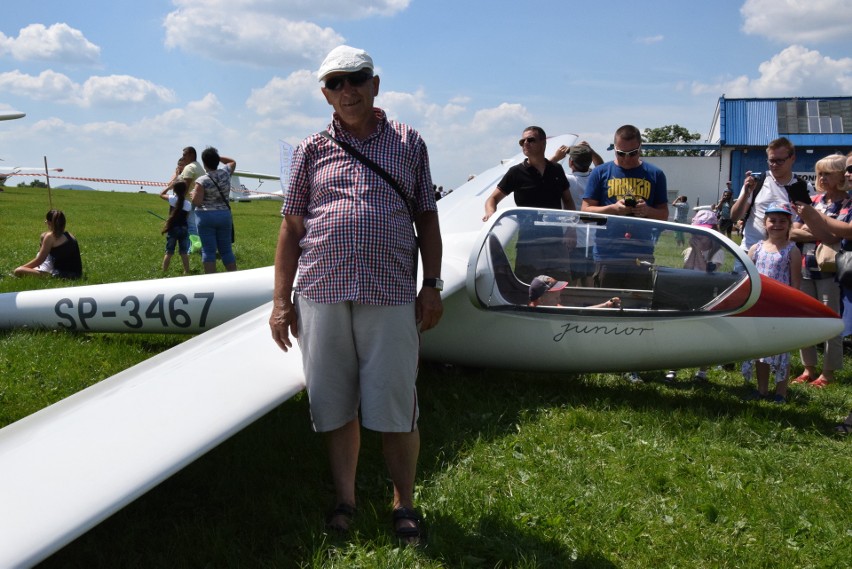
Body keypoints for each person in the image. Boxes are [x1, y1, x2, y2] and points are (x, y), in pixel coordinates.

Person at [268, 45, 442, 545]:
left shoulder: (408, 142)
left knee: (393, 401)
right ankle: (345, 498)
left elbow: (427, 217)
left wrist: (430, 285)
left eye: (357, 79)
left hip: (388, 290)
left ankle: (403, 502)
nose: (348, 90)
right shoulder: (310, 149)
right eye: (336, 82)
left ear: (376, 84)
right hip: (322, 290)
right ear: (325, 93)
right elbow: (291, 227)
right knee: (335, 401)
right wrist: (282, 304)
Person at [582, 125, 668, 383]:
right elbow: (586, 211)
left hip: (640, 253)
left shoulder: (655, 174)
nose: (627, 159)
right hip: (607, 253)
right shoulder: (600, 172)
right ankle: (602, 358)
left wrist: (646, 211)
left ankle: (632, 362)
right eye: (621, 153)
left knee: (637, 308)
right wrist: (614, 208)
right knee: (607, 305)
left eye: (633, 153)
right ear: (614, 147)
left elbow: (664, 214)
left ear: (640, 148)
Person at [482, 126, 575, 282]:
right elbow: (492, 199)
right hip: (528, 245)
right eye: (522, 141)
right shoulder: (515, 172)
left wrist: (572, 229)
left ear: (543, 143)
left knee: (559, 289)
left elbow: (568, 201)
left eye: (530, 140)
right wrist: (490, 214)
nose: (525, 143)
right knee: (527, 290)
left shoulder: (557, 170)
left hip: (556, 243)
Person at [789, 154, 849, 388]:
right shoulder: (813, 200)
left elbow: (836, 235)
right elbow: (793, 233)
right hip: (806, 265)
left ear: (841, 176)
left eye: (827, 173)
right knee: (806, 320)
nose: (821, 178)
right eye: (819, 173)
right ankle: (808, 368)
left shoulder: (848, 204)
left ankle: (828, 372)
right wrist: (822, 228)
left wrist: (812, 224)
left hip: (831, 270)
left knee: (830, 322)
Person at [742, 202, 801, 403]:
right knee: (761, 350)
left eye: (782, 221)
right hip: (759, 305)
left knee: (781, 349)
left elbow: (795, 283)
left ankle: (781, 392)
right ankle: (762, 389)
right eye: (772, 220)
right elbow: (748, 279)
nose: (776, 225)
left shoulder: (792, 250)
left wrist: (792, 308)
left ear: (789, 224)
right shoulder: (755, 248)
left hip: (780, 307)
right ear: (765, 223)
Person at [664, 210, 726, 383]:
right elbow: (688, 269)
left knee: (704, 334)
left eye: (703, 235)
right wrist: (693, 250)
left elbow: (704, 272)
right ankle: (673, 368)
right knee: (681, 333)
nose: (698, 238)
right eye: (696, 234)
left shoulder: (717, 253)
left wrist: (698, 251)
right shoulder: (689, 250)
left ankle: (702, 371)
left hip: (705, 295)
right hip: (687, 295)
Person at [730, 137, 814, 254]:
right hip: (751, 251)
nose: (774, 165)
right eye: (771, 161)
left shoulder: (804, 186)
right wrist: (746, 194)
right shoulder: (757, 182)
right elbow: (734, 217)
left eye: (779, 161)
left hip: (786, 254)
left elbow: (812, 220)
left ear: (792, 159)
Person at [553, 142, 604, 287]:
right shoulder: (596, 178)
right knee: (589, 281)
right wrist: (591, 150)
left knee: (572, 280)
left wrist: (556, 157)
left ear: (570, 162)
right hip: (593, 239)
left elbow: (544, 171)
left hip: (573, 238)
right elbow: (600, 165)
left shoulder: (568, 180)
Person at [190, 147, 237, 274]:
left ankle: (211, 280)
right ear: (216, 161)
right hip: (224, 215)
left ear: (204, 163)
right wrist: (217, 158)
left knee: (208, 251)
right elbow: (232, 162)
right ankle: (234, 279)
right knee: (226, 250)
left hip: (206, 217)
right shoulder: (225, 173)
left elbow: (197, 202)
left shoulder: (201, 181)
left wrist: (193, 195)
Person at [14, 209, 82, 279]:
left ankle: (48, 276)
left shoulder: (50, 237)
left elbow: (39, 260)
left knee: (18, 271)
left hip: (62, 275)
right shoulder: (69, 235)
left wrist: (23, 267)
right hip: (77, 274)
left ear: (49, 223)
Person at [159, 180, 192, 274]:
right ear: (185, 190)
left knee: (169, 252)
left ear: (174, 189)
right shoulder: (188, 204)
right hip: (184, 229)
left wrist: (169, 187)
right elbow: (186, 217)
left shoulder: (172, 198)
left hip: (173, 228)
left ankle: (164, 271)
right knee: (184, 252)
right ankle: (186, 271)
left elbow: (161, 194)